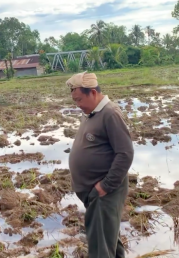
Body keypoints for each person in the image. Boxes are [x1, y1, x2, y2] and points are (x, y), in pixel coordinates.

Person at [66, 71, 134, 258]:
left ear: (93, 93)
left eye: (79, 100)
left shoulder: (110, 114)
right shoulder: (91, 112)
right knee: (109, 241)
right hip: (94, 194)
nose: (78, 105)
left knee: (100, 250)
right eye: (75, 101)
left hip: (104, 192)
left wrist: (105, 186)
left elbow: (125, 153)